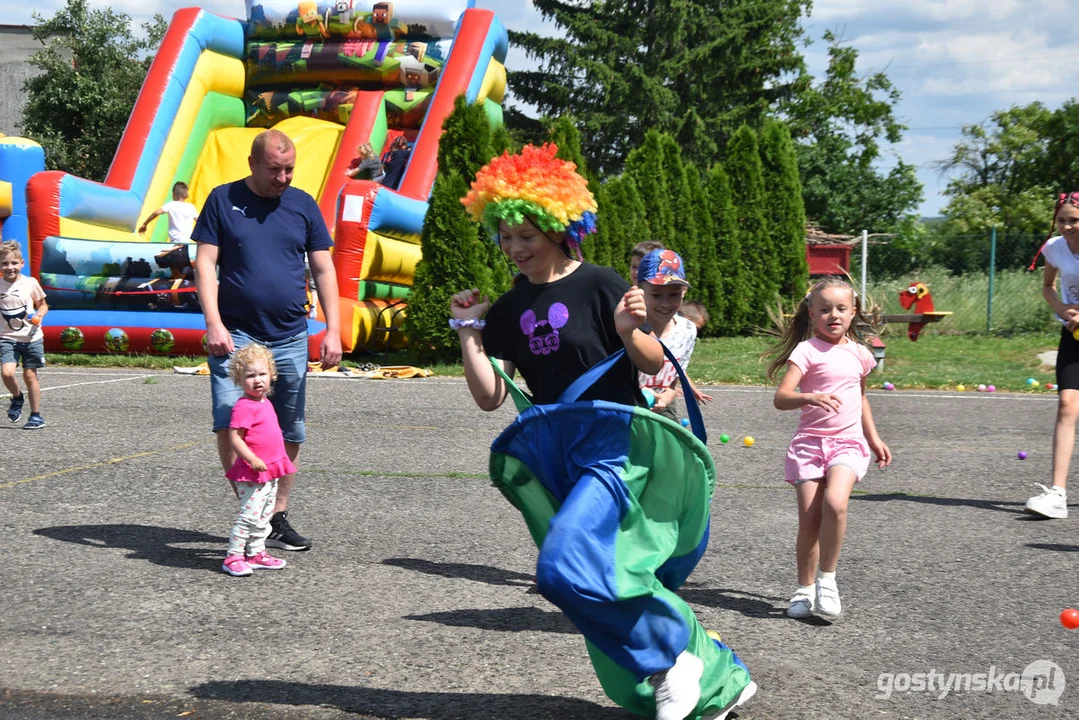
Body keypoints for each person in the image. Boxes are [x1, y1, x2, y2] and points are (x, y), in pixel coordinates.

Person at [452, 144, 755, 720]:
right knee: (602, 575)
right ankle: (717, 675)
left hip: (613, 447)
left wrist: (625, 328)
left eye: (526, 234)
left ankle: (672, 659)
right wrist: (469, 333)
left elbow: (647, 362)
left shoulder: (598, 283)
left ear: (559, 226)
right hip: (557, 457)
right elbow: (492, 397)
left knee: (562, 568)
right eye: (505, 236)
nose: (515, 247)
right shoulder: (513, 305)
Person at [193, 129, 342, 553]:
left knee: (288, 426)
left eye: (289, 169)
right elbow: (205, 264)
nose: (283, 178)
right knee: (230, 418)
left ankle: (275, 514)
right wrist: (213, 323)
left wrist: (332, 328)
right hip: (235, 332)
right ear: (253, 164)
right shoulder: (222, 200)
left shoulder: (303, 205)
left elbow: (324, 270)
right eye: (275, 170)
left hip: (291, 334)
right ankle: (249, 505)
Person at [766, 277, 892, 619]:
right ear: (812, 313)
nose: (833, 315)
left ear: (853, 313)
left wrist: (874, 437)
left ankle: (828, 580)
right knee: (809, 522)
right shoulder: (805, 351)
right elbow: (781, 398)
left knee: (836, 503)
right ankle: (803, 590)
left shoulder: (861, 354)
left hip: (848, 443)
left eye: (840, 309)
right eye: (824, 309)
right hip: (809, 445)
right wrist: (810, 396)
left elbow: (861, 396)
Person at [1026, 190, 1079, 519]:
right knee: (1067, 404)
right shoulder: (1055, 248)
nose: (1067, 226)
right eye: (1061, 220)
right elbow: (1048, 286)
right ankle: (1057, 494)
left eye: (1073, 220)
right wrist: (1063, 309)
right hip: (1073, 333)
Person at [221, 343, 293, 577]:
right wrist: (251, 459)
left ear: (271, 375)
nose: (257, 380)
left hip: (269, 471)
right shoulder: (244, 407)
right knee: (249, 516)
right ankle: (234, 555)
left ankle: (255, 553)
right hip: (252, 473)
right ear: (239, 379)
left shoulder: (264, 402)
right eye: (250, 376)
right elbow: (235, 438)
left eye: (262, 374)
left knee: (264, 516)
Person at [636, 248, 709, 421]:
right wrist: (641, 392)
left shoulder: (687, 330)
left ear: (684, 291)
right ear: (641, 290)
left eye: (674, 294)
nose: (666, 303)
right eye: (656, 294)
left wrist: (668, 395)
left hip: (663, 409)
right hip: (629, 409)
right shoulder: (631, 328)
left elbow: (674, 377)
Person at [0, 241, 48, 429]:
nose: (9, 267)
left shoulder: (30, 283)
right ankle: (17, 397)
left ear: (22, 263)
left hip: (32, 337)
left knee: (30, 376)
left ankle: (36, 416)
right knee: (7, 372)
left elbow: (43, 304)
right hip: (7, 337)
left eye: (13, 263)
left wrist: (39, 315)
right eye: (4, 263)